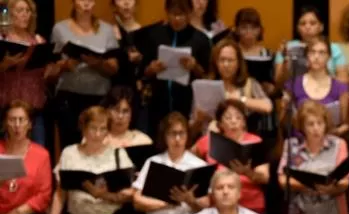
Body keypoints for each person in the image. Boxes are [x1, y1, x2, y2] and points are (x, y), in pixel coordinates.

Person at [132, 112, 208, 214]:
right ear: (164, 136)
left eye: (182, 133)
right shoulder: (153, 162)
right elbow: (137, 201)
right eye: (173, 134)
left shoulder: (199, 166)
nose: (178, 139)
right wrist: (168, 203)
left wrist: (189, 200)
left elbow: (206, 206)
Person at [50, 0, 120, 146]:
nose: (86, 4)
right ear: (74, 3)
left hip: (99, 97)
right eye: (82, 0)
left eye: (90, 0)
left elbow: (114, 68)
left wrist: (98, 64)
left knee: (98, 144)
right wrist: (65, 65)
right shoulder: (60, 29)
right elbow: (51, 69)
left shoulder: (106, 30)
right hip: (69, 97)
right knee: (70, 145)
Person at [137, 0, 211, 129]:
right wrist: (152, 68)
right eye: (173, 14)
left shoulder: (200, 39)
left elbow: (207, 76)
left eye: (181, 14)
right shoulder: (155, 35)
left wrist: (194, 66)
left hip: (187, 102)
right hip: (158, 102)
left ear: (189, 13)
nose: (177, 19)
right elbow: (143, 71)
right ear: (167, 12)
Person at [191, 99, 270, 214]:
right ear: (220, 123)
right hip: (218, 206)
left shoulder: (255, 142)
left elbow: (265, 177)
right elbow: (189, 158)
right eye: (228, 118)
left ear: (244, 122)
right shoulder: (209, 141)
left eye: (238, 118)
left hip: (251, 204)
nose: (233, 121)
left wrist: (247, 172)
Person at [0, 0, 52, 146]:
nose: (24, 15)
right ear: (10, 14)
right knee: (7, 151)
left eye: (27, 11)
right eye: (20, 10)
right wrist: (6, 64)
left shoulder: (38, 40)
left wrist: (51, 70)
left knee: (37, 147)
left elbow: (45, 74)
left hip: (34, 107)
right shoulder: (3, 39)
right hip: (7, 107)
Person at [200, 38, 273, 123]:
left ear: (238, 63)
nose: (226, 65)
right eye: (222, 60)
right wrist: (199, 119)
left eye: (230, 60)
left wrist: (240, 99)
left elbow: (267, 106)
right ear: (215, 62)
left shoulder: (249, 83)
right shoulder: (206, 85)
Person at [274, 6, 347, 88]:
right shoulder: (288, 48)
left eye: (312, 23)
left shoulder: (334, 48)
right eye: (302, 24)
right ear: (297, 28)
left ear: (321, 27)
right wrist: (285, 61)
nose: (307, 27)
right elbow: (279, 83)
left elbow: (343, 82)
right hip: (295, 94)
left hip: (327, 92)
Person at [283, 38, 349, 126]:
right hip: (300, 138)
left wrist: (332, 133)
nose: (316, 57)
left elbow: (345, 124)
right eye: (312, 52)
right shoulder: (293, 84)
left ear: (329, 57)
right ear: (306, 56)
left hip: (329, 136)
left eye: (321, 53)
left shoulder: (340, 87)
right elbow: (283, 122)